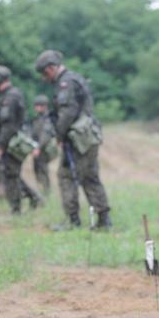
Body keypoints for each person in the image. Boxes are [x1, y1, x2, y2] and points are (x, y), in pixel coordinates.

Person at [34, 50, 111, 229]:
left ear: (52, 68)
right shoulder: (75, 78)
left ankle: (73, 220)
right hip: (87, 137)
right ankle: (103, 219)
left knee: (66, 176)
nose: (45, 78)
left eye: (45, 73)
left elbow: (67, 113)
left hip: (78, 139)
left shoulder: (65, 83)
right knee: (90, 177)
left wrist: (59, 135)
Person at [0, 66, 42, 214]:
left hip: (13, 143)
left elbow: (9, 125)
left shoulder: (11, 97)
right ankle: (33, 199)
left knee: (11, 176)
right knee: (12, 174)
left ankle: (16, 209)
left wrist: (0, 146)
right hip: (11, 142)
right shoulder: (7, 96)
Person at [30, 95, 57, 195]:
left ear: (44, 106)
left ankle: (46, 192)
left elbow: (45, 134)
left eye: (39, 105)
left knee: (43, 171)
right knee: (37, 171)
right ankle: (42, 191)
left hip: (44, 149)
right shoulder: (38, 118)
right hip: (37, 148)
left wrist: (38, 147)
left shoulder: (48, 118)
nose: (36, 108)